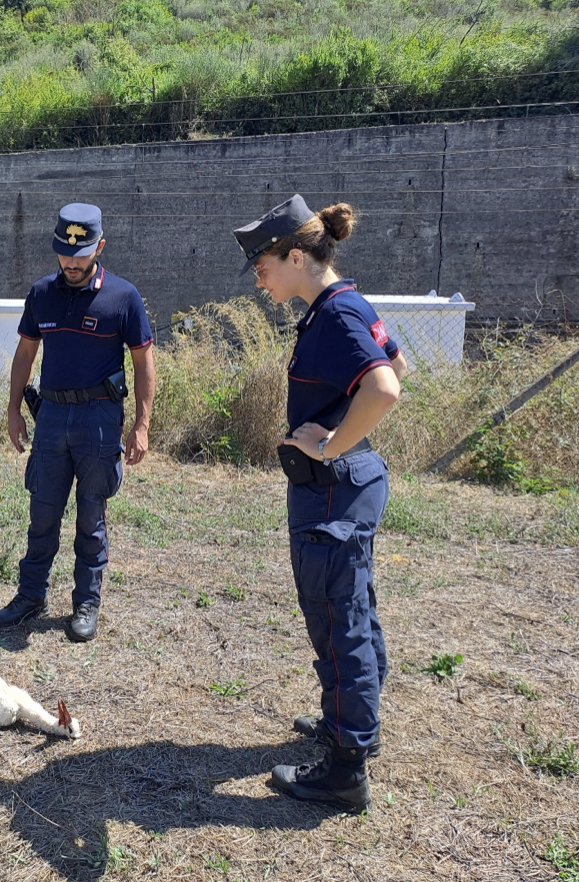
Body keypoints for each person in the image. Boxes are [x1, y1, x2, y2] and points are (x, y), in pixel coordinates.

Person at [232, 194, 408, 813]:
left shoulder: (333, 316)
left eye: (264, 262)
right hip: (346, 486)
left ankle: (344, 768)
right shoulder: (341, 306)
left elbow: (384, 388)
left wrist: (331, 443)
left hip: (331, 492)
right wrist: (340, 432)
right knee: (352, 610)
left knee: (338, 624)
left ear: (299, 256)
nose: (258, 275)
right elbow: (397, 363)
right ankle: (356, 728)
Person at [0, 203, 155, 642]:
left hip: (99, 418)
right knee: (42, 512)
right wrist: (11, 409)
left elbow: (143, 361)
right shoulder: (42, 293)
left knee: (91, 516)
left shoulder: (123, 297)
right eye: (64, 253)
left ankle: (85, 602)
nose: (71, 263)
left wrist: (141, 424)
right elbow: (26, 353)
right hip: (51, 416)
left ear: (100, 247)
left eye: (80, 255)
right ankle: (30, 597)